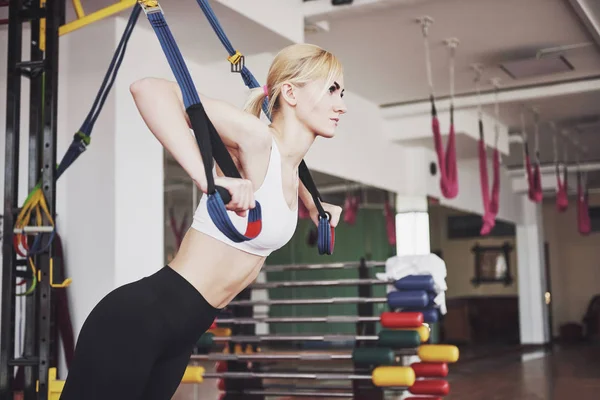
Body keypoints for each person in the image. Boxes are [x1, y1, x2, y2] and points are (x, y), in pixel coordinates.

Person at [60, 43, 347, 399]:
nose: (342, 105)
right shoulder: (257, 139)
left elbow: (284, 177)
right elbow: (149, 89)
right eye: (332, 89)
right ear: (290, 92)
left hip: (183, 334)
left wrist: (316, 205)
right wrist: (209, 181)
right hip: (139, 321)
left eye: (343, 92)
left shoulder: (291, 167)